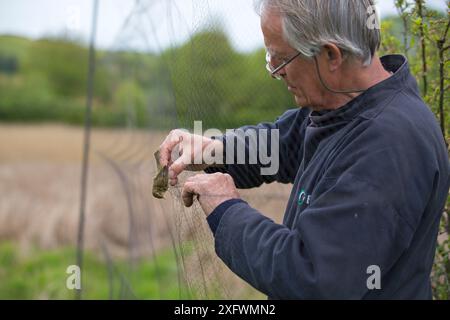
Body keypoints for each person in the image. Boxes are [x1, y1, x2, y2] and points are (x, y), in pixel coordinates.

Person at [158, 0, 449, 299]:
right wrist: (214, 150)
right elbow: (284, 144)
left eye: (281, 59)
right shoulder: (341, 105)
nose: (275, 73)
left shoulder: (388, 146)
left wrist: (226, 209)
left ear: (330, 55)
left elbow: (313, 277)